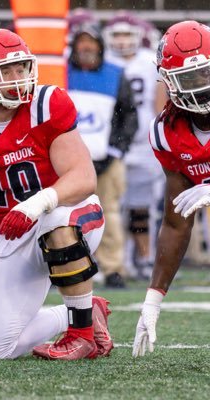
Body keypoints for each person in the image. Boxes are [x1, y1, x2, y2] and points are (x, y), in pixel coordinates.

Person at [0, 28, 113, 360]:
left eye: (21, 67)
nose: (17, 77)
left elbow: (83, 177)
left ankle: (82, 334)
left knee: (56, 222)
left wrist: (36, 203)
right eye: (4, 70)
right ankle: (87, 312)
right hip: (13, 233)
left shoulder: (46, 104)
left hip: (71, 211)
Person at [133, 20, 210, 357]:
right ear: (169, 83)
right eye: (190, 79)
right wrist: (153, 298)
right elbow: (177, 220)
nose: (201, 86)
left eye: (206, 73)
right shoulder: (166, 132)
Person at [67, 10, 138, 288]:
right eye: (81, 43)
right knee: (66, 216)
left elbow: (129, 115)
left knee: (109, 212)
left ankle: (112, 268)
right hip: (68, 161)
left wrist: (116, 150)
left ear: (99, 45)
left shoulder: (115, 74)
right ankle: (70, 264)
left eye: (91, 43)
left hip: (106, 158)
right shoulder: (61, 72)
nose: (86, 48)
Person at [103, 12, 168, 280]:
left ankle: (144, 257)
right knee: (111, 206)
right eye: (116, 35)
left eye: (126, 35)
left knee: (142, 207)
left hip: (143, 142)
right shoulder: (104, 62)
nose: (121, 41)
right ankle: (119, 260)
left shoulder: (149, 62)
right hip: (114, 142)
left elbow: (160, 100)